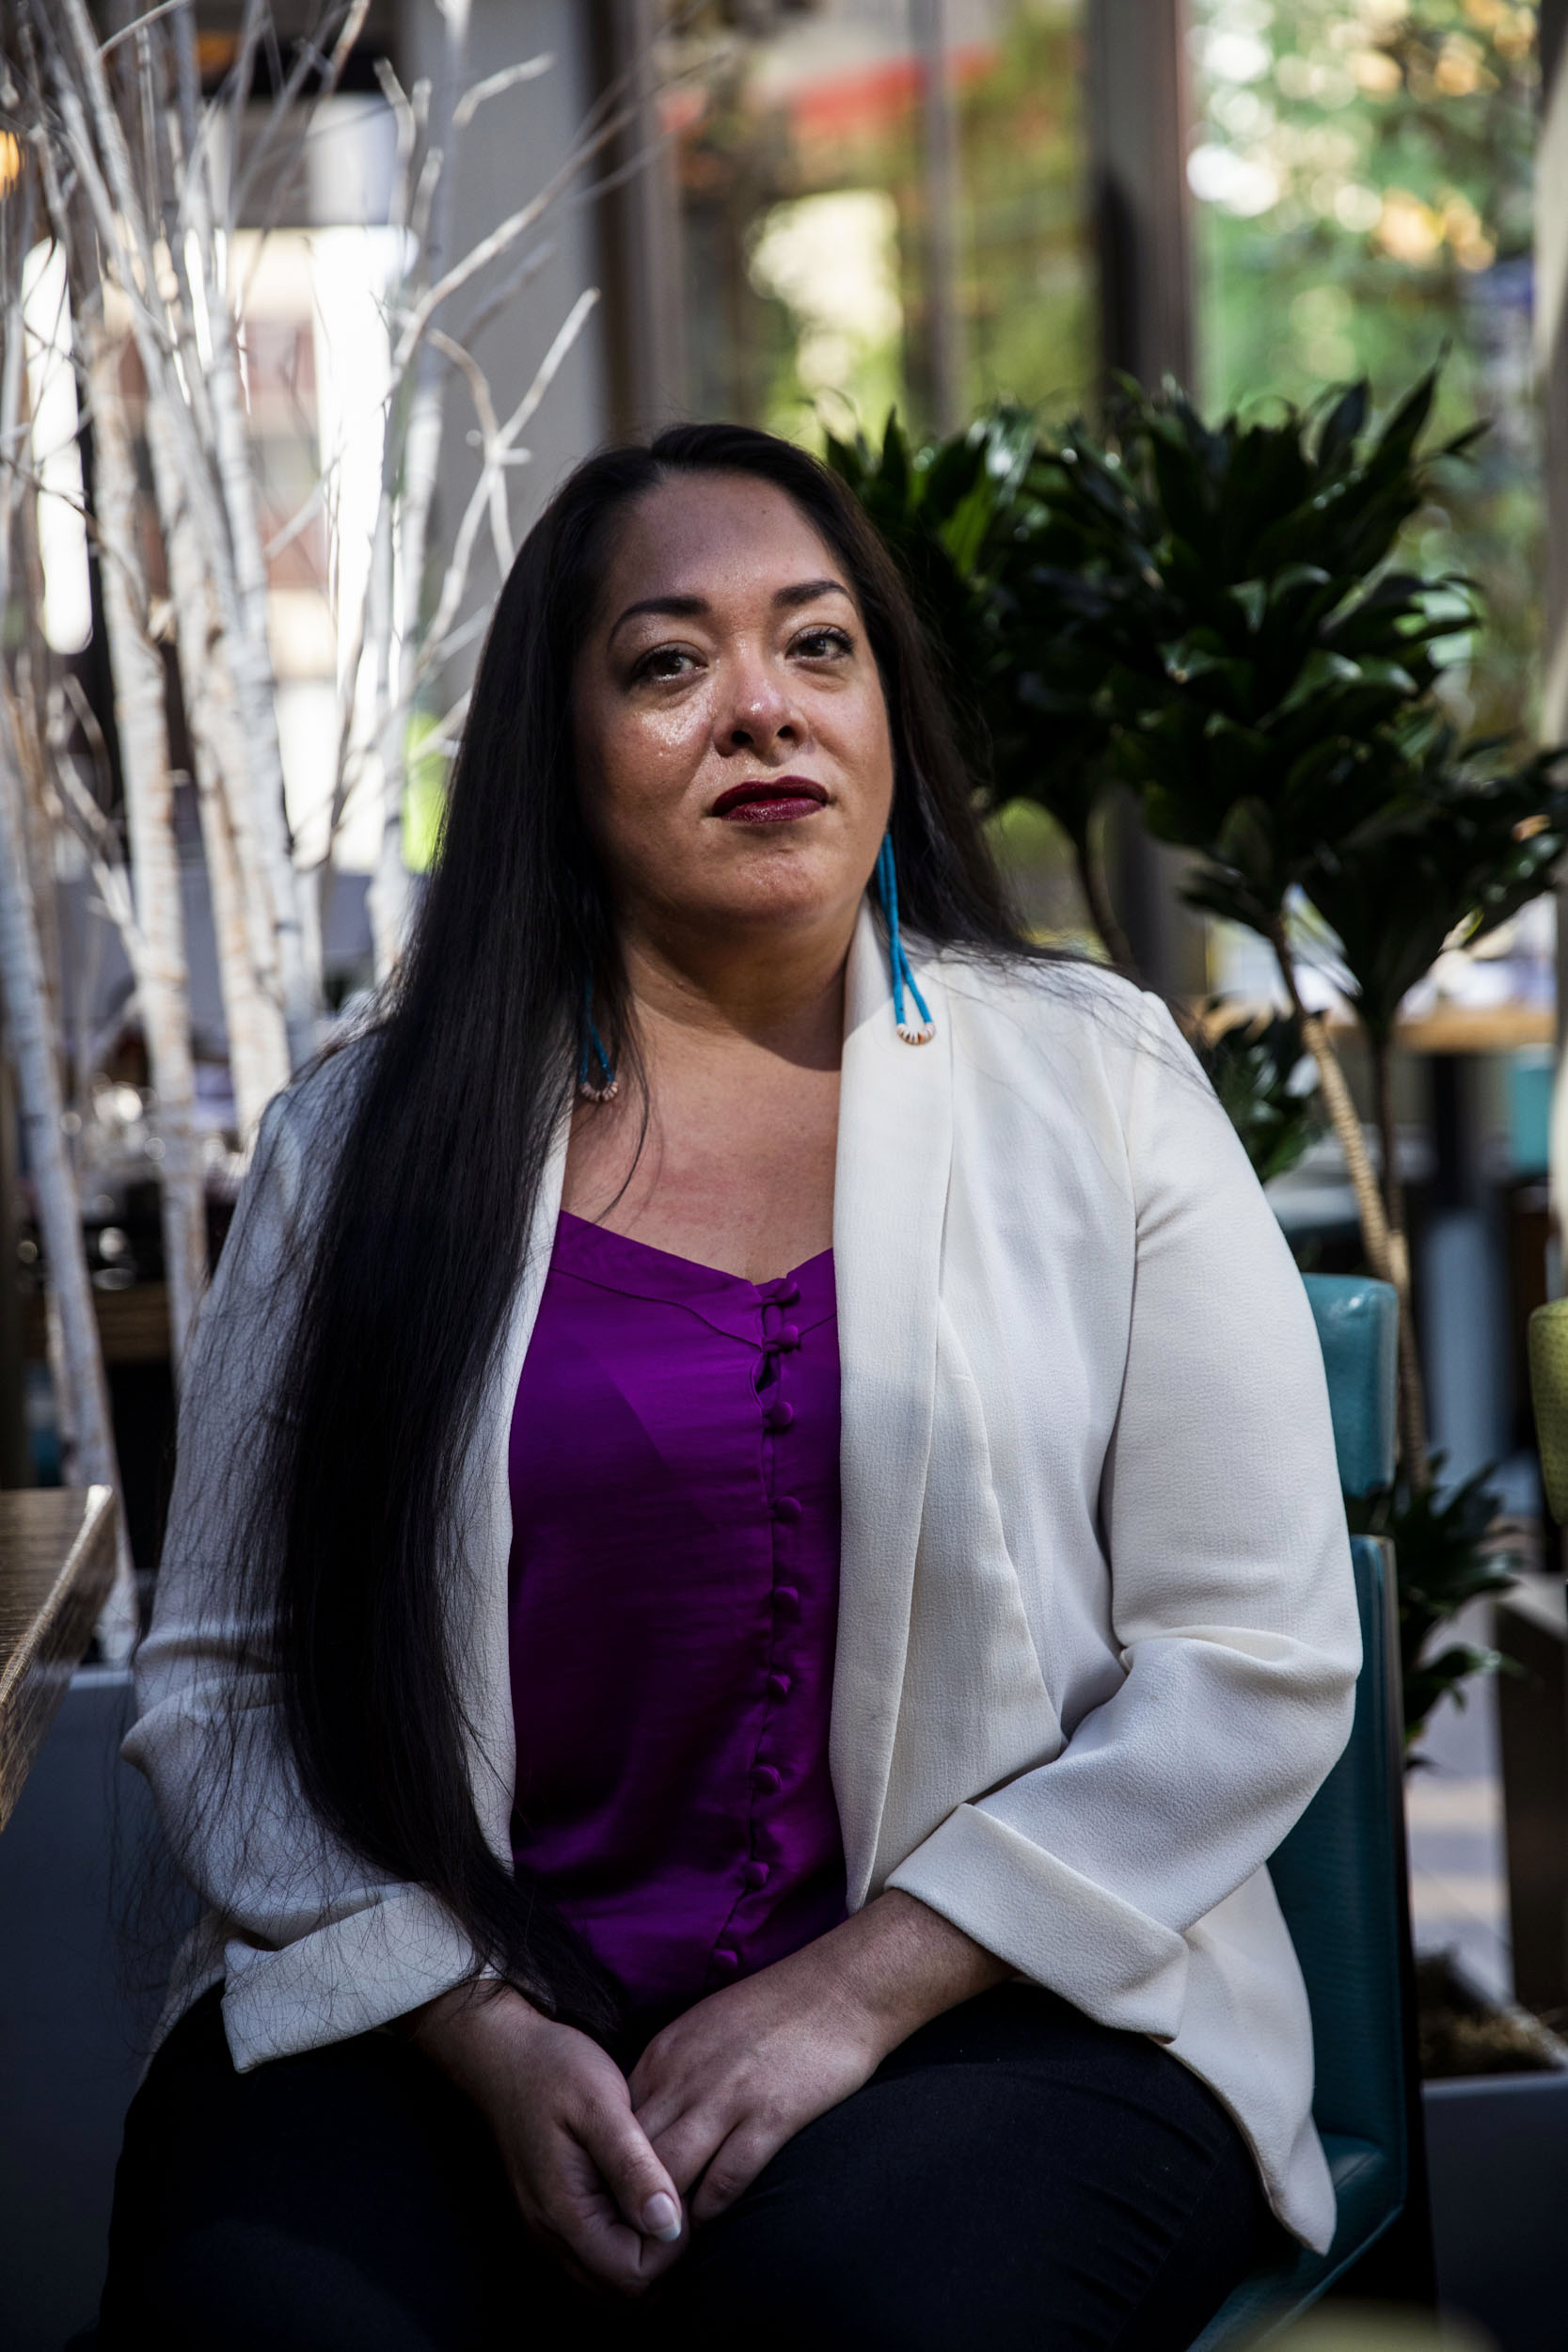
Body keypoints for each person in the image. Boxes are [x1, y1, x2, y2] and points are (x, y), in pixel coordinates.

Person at [101, 423, 1359, 2352]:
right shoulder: (362, 1141)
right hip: (449, 2006)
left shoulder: (1097, 1078)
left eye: (819, 646)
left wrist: (859, 1986)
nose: (761, 708)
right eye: (671, 662)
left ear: (885, 708)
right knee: (263, 2315)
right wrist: (478, 2025)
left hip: (1013, 1997)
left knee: (838, 2317)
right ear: (560, 749)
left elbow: (1251, 1657)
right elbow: (226, 1679)